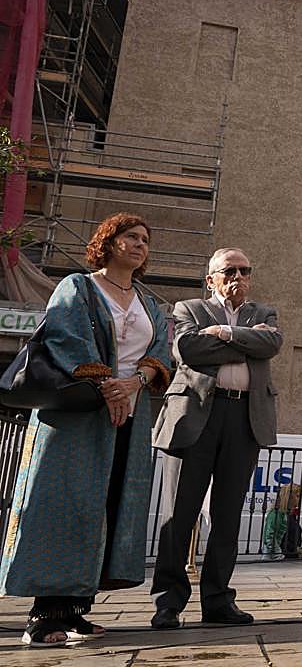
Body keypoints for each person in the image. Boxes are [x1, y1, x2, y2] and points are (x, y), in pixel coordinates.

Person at [0, 213, 171, 647]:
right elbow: (65, 336)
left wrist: (134, 383)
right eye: (130, 236)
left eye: (145, 240)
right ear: (108, 242)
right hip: (76, 416)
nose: (139, 245)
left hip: (128, 419)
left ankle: (76, 609)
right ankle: (43, 616)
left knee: (107, 507)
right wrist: (106, 386)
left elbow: (159, 353)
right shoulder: (77, 286)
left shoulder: (151, 303)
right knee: (62, 504)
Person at [150, 247, 282, 629]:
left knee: (227, 515)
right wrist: (245, 343)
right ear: (211, 279)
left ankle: (218, 601)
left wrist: (225, 333)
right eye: (229, 271)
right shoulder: (189, 308)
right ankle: (168, 602)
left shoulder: (264, 314)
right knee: (180, 514)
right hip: (195, 417)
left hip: (244, 418)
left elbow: (270, 345)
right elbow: (188, 350)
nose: (237, 277)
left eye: (244, 269)